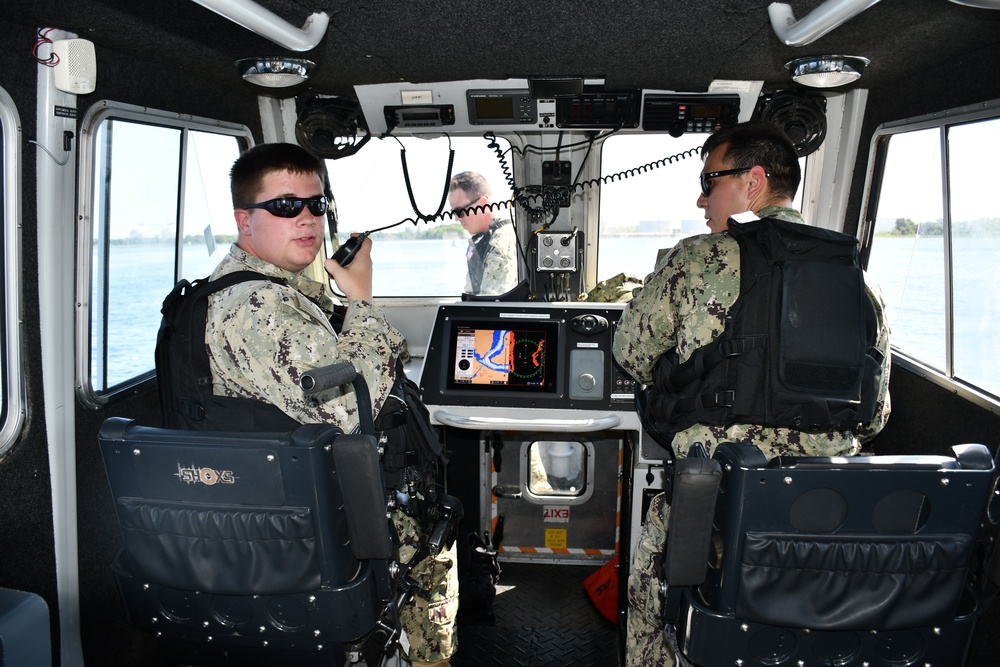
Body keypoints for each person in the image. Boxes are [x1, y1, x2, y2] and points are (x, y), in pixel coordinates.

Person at [612, 121, 892, 667]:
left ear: (753, 181)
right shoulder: (860, 279)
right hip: (828, 521)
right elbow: (875, 416)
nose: (700, 197)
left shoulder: (697, 260)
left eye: (708, 179)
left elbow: (632, 352)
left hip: (714, 505)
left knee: (648, 584)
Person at [204, 142, 457, 667]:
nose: (307, 219)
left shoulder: (274, 290)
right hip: (309, 522)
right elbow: (349, 406)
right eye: (284, 206)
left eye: (317, 206)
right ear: (243, 220)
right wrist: (363, 300)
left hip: (289, 501)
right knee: (437, 541)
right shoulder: (255, 306)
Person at [448, 171, 519, 295]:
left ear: (482, 204)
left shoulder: (499, 243)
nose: (457, 218)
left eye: (460, 211)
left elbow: (491, 303)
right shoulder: (481, 240)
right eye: (453, 212)